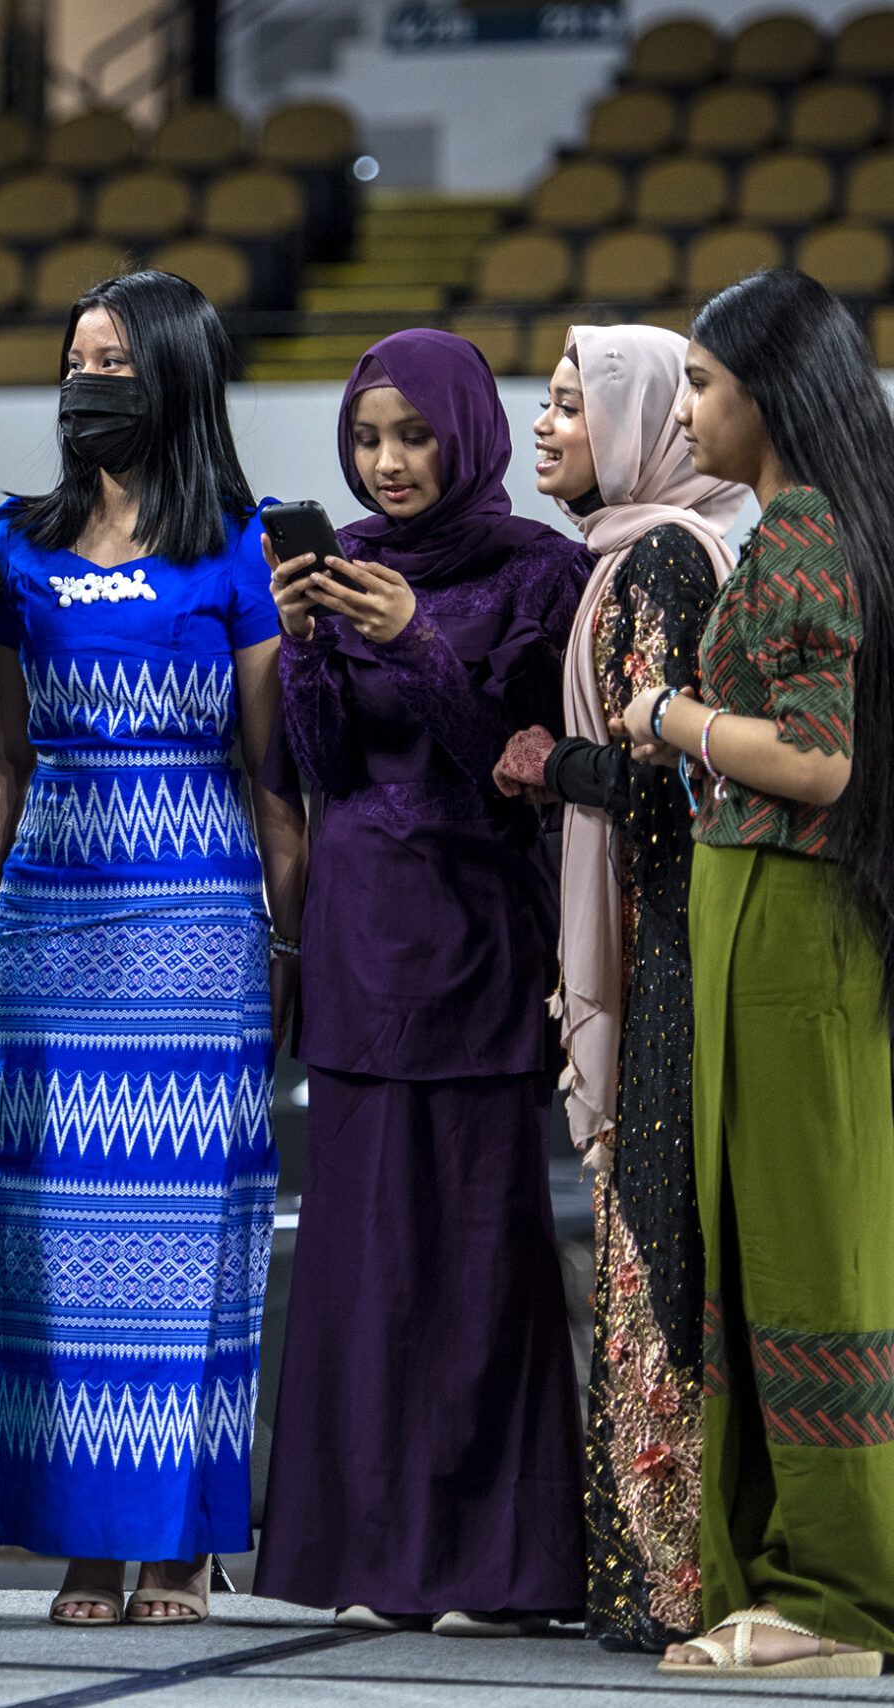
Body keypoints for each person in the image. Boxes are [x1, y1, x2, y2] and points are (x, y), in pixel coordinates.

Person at [0, 271, 305, 1628]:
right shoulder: (14, 541)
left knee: (186, 1249)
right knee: (48, 1246)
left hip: (198, 920)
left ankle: (179, 1543)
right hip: (50, 910)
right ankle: (85, 1542)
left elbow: (275, 775)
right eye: (74, 358)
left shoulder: (239, 545)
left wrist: (291, 945)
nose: (87, 380)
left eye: (115, 358)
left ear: (170, 375)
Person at [257, 327, 591, 1635]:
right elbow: (321, 765)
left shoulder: (542, 574)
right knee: (363, 1267)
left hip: (473, 937)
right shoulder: (349, 567)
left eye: (413, 436)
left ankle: (489, 1570)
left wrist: (420, 646)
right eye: (368, 439)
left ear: (466, 434)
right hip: (356, 940)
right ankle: (373, 1561)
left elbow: (511, 767)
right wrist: (311, 653)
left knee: (475, 1261)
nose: (388, 464)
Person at [632, 269, 894, 1680]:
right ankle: (797, 1571)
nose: (686, 411)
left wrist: (674, 715)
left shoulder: (799, 537)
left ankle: (836, 1599)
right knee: (778, 1241)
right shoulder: (801, 526)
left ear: (770, 397)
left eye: (704, 386)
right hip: (769, 919)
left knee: (801, 1250)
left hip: (788, 923)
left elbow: (822, 759)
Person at [494, 325, 749, 1654]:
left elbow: (686, 773)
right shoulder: (623, 559)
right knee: (646, 1245)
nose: (546, 429)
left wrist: (551, 766)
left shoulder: (663, 558)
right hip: (661, 942)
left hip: (686, 947)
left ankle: (677, 1582)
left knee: (655, 1252)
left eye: (569, 407)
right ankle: (659, 1576)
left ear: (637, 421)